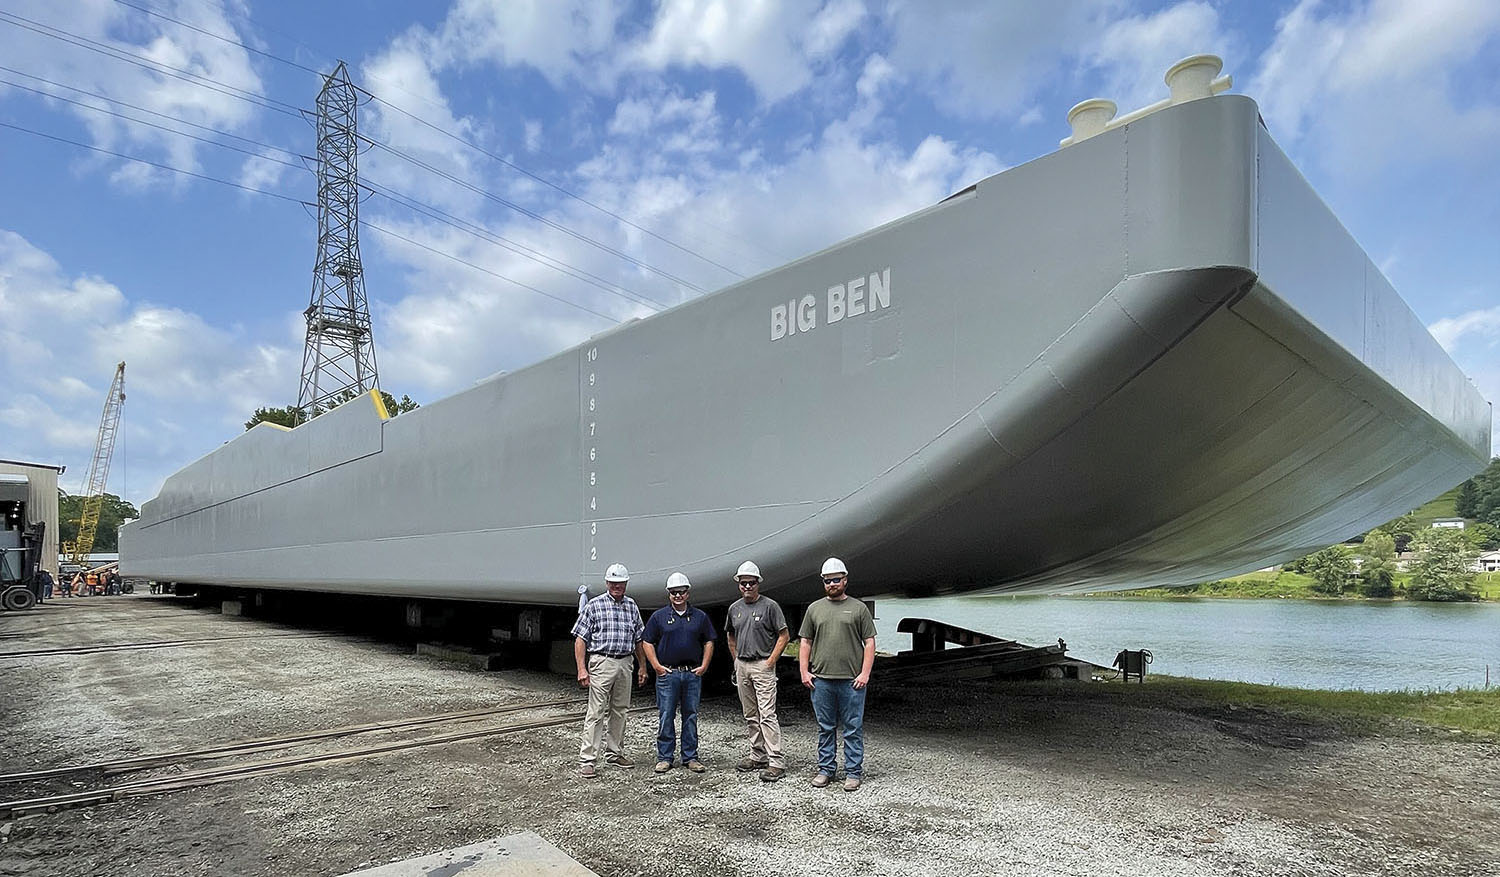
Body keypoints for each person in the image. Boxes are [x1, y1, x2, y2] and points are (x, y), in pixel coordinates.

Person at [798, 557, 876, 792]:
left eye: (836, 580)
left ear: (845, 580)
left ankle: (853, 772)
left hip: (852, 681)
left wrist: (865, 674)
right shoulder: (814, 609)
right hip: (821, 680)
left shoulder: (858, 608)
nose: (832, 584)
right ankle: (825, 769)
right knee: (825, 727)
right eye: (827, 580)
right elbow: (805, 642)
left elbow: (870, 642)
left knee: (852, 727)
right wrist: (804, 671)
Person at [572, 562, 647, 779]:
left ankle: (615, 752)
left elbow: (639, 639)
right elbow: (580, 639)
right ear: (607, 583)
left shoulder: (631, 606)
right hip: (602, 662)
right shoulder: (594, 606)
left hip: (625, 662)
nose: (617, 587)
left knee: (620, 710)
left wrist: (642, 666)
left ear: (625, 584)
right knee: (595, 712)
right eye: (613, 583)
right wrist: (581, 669)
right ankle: (588, 759)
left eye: (620, 583)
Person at [641, 572, 716, 774]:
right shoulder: (659, 617)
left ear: (687, 593)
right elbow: (647, 641)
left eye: (681, 592)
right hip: (668, 674)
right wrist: (656, 666)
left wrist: (704, 665)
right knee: (666, 716)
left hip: (692, 674)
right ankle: (665, 757)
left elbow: (709, 640)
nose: (677, 596)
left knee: (690, 715)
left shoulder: (700, 617)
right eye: (673, 592)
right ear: (669, 594)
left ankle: (690, 757)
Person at [725, 560, 790, 782]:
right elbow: (730, 634)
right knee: (750, 714)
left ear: (758, 583)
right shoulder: (734, 609)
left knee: (767, 714)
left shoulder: (770, 606)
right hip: (742, 665)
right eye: (743, 583)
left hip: (762, 664)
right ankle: (757, 755)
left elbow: (784, 635)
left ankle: (776, 761)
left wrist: (771, 661)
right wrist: (736, 660)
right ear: (738, 585)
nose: (747, 587)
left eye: (751, 583)